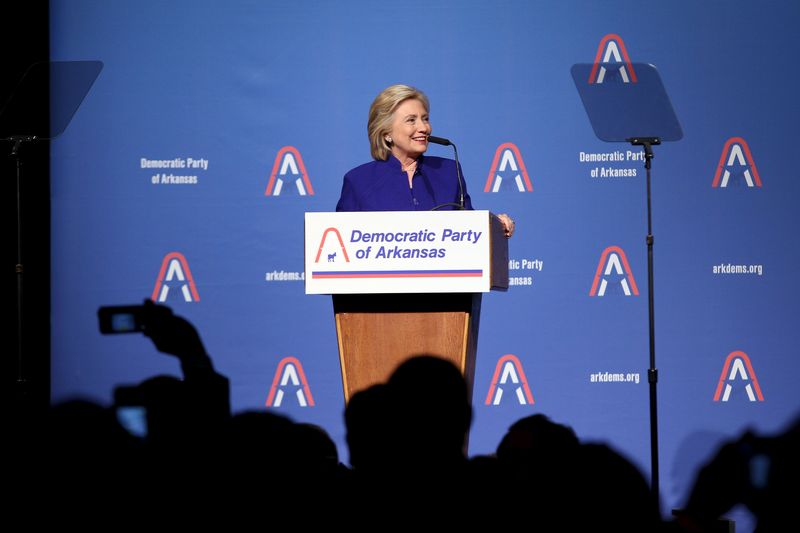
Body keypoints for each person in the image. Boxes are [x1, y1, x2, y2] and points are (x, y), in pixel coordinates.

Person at [336, 84, 514, 237]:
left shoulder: (449, 171)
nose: (424, 128)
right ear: (386, 133)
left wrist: (494, 226)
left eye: (425, 119)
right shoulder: (358, 181)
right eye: (411, 120)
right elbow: (341, 242)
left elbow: (470, 230)